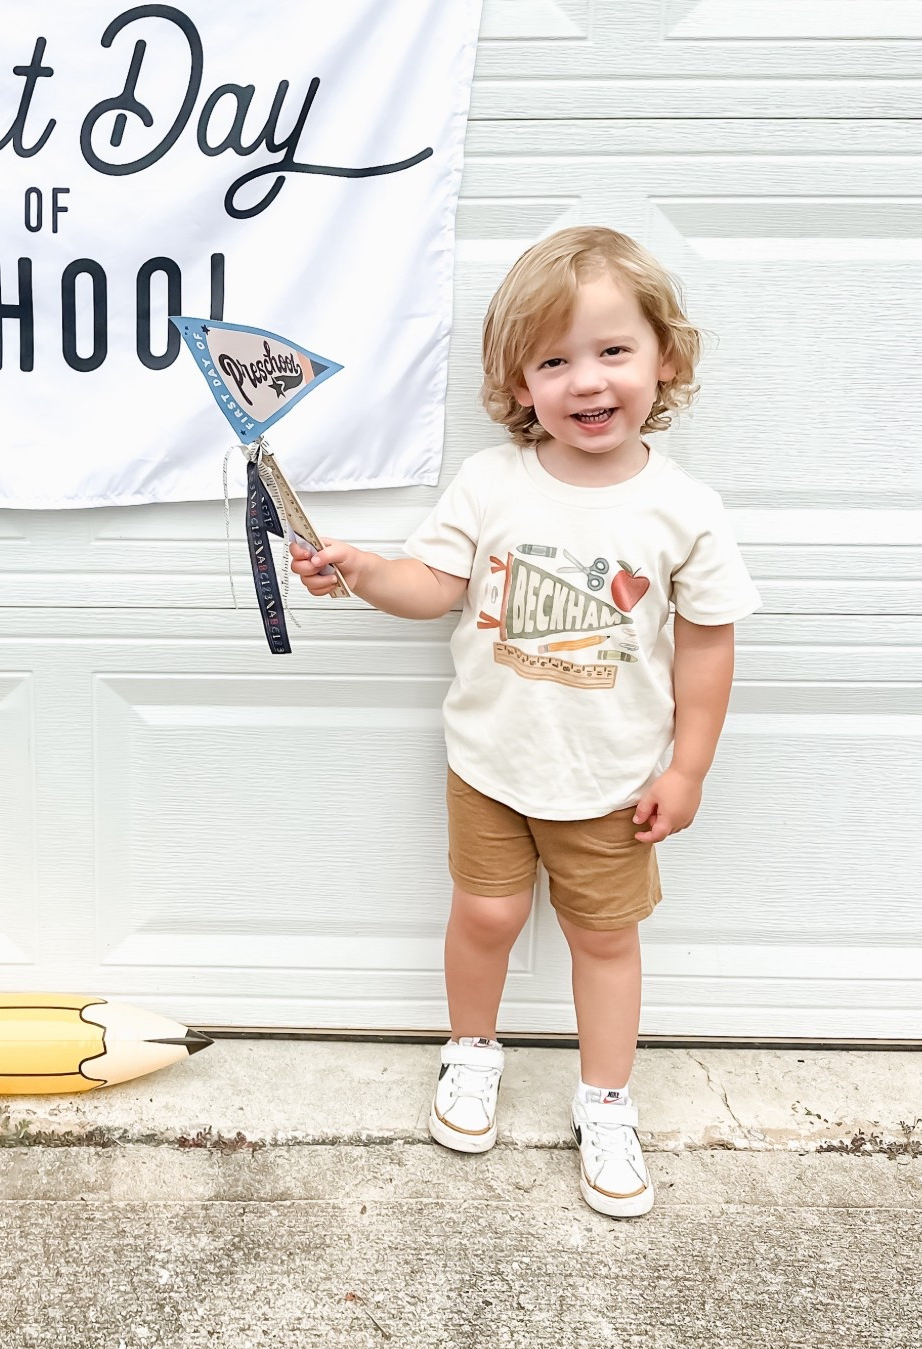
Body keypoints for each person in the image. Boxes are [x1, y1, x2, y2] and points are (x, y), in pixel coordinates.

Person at [290, 226, 759, 1218]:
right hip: (491, 762)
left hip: (615, 778)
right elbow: (436, 585)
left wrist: (691, 767)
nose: (587, 381)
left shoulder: (685, 510)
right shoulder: (492, 482)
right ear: (519, 380)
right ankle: (470, 1050)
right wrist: (368, 571)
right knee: (488, 915)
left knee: (604, 939)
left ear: (663, 357)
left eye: (612, 351)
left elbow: (711, 645)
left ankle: (607, 1101)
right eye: (554, 360)